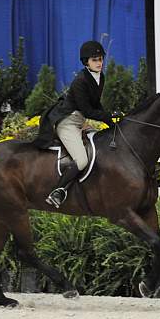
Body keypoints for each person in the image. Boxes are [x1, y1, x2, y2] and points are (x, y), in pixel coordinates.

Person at [32, 40, 115, 208]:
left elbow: (96, 104)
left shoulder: (100, 77)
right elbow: (88, 110)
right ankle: (57, 191)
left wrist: (112, 121)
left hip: (80, 121)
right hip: (68, 122)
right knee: (82, 160)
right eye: (94, 60)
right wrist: (108, 117)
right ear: (86, 62)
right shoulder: (80, 81)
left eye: (100, 59)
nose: (99, 63)